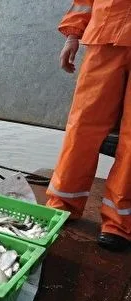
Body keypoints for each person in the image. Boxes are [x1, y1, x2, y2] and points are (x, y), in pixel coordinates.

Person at [46, 0, 131, 251]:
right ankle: (62, 205)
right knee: (82, 126)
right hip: (104, 35)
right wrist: (72, 35)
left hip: (105, 32)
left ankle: (118, 222)